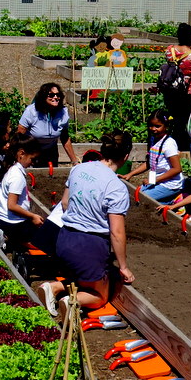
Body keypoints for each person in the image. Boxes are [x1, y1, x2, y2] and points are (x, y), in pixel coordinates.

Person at [41, 130, 134, 315]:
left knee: (82, 276)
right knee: (100, 295)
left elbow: (65, 203)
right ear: (125, 156)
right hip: (89, 245)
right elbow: (117, 232)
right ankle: (72, 301)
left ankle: (54, 288)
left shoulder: (79, 169)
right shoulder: (116, 187)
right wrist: (123, 267)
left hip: (64, 239)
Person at [120, 109, 184, 204]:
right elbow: (149, 163)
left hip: (170, 184)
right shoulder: (153, 140)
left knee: (141, 199)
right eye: (151, 125)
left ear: (166, 126)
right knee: (135, 195)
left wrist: (154, 179)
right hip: (157, 181)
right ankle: (167, 201)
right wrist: (130, 174)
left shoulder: (169, 144)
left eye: (157, 126)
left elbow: (177, 169)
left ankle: (174, 200)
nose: (153, 129)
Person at [0, 133, 45, 251]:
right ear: (21, 153)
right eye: (32, 159)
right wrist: (32, 216)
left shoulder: (10, 168)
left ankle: (8, 238)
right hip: (13, 222)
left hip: (2, 218)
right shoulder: (17, 176)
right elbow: (12, 205)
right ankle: (14, 241)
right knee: (47, 239)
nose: (33, 163)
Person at [18, 83, 80, 168]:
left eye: (58, 95)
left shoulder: (63, 112)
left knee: (51, 173)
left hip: (51, 150)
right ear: (43, 97)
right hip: (32, 150)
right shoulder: (31, 111)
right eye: (51, 95)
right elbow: (19, 135)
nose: (55, 97)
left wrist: (75, 161)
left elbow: (65, 138)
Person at [161, 23, 191, 149]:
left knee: (173, 117)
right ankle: (183, 145)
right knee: (185, 120)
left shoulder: (170, 51)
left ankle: (171, 143)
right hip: (188, 92)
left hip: (171, 91)